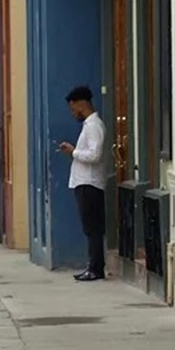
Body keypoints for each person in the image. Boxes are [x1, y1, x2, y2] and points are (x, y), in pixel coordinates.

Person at [58, 86, 108, 281]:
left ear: (82, 103)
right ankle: (93, 266)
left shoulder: (94, 126)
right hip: (84, 182)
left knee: (93, 228)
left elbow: (95, 155)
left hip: (90, 183)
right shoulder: (89, 126)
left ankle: (95, 268)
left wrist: (74, 152)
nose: (73, 113)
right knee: (90, 228)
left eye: (73, 108)